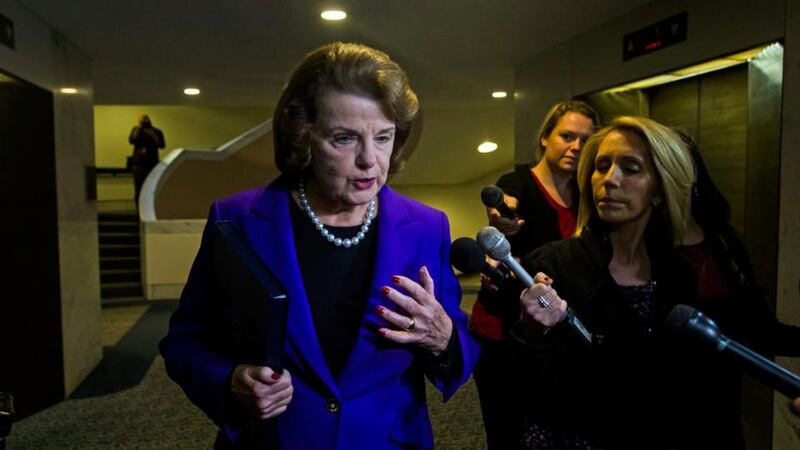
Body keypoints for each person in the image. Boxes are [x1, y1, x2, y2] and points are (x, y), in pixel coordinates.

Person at [159, 42, 479, 450]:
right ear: (303, 138)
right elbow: (184, 343)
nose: (370, 160)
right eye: (345, 139)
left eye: (383, 137)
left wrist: (444, 337)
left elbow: (461, 355)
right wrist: (230, 382)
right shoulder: (236, 219)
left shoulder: (427, 227)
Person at [512, 116, 698, 448]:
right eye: (602, 166)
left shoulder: (678, 274)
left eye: (631, 168)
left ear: (660, 189)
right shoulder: (554, 264)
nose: (610, 180)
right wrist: (532, 331)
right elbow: (527, 386)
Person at [469, 100, 598, 449]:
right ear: (544, 137)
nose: (576, 147)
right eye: (567, 136)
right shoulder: (519, 182)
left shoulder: (585, 193)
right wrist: (503, 219)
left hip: (549, 332)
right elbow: (506, 204)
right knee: (507, 431)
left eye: (585, 140)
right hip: (500, 331)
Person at [674, 133, 800, 448]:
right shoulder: (634, 247)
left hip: (720, 411)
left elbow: (762, 330)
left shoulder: (721, 240)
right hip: (657, 415)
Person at [128, 114, 165, 207]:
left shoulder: (157, 131)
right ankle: (138, 210)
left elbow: (162, 145)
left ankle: (151, 208)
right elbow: (131, 140)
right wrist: (139, 128)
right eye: (142, 120)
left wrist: (152, 134)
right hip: (138, 164)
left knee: (152, 188)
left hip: (152, 164)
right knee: (138, 189)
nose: (145, 121)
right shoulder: (136, 130)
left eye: (146, 119)